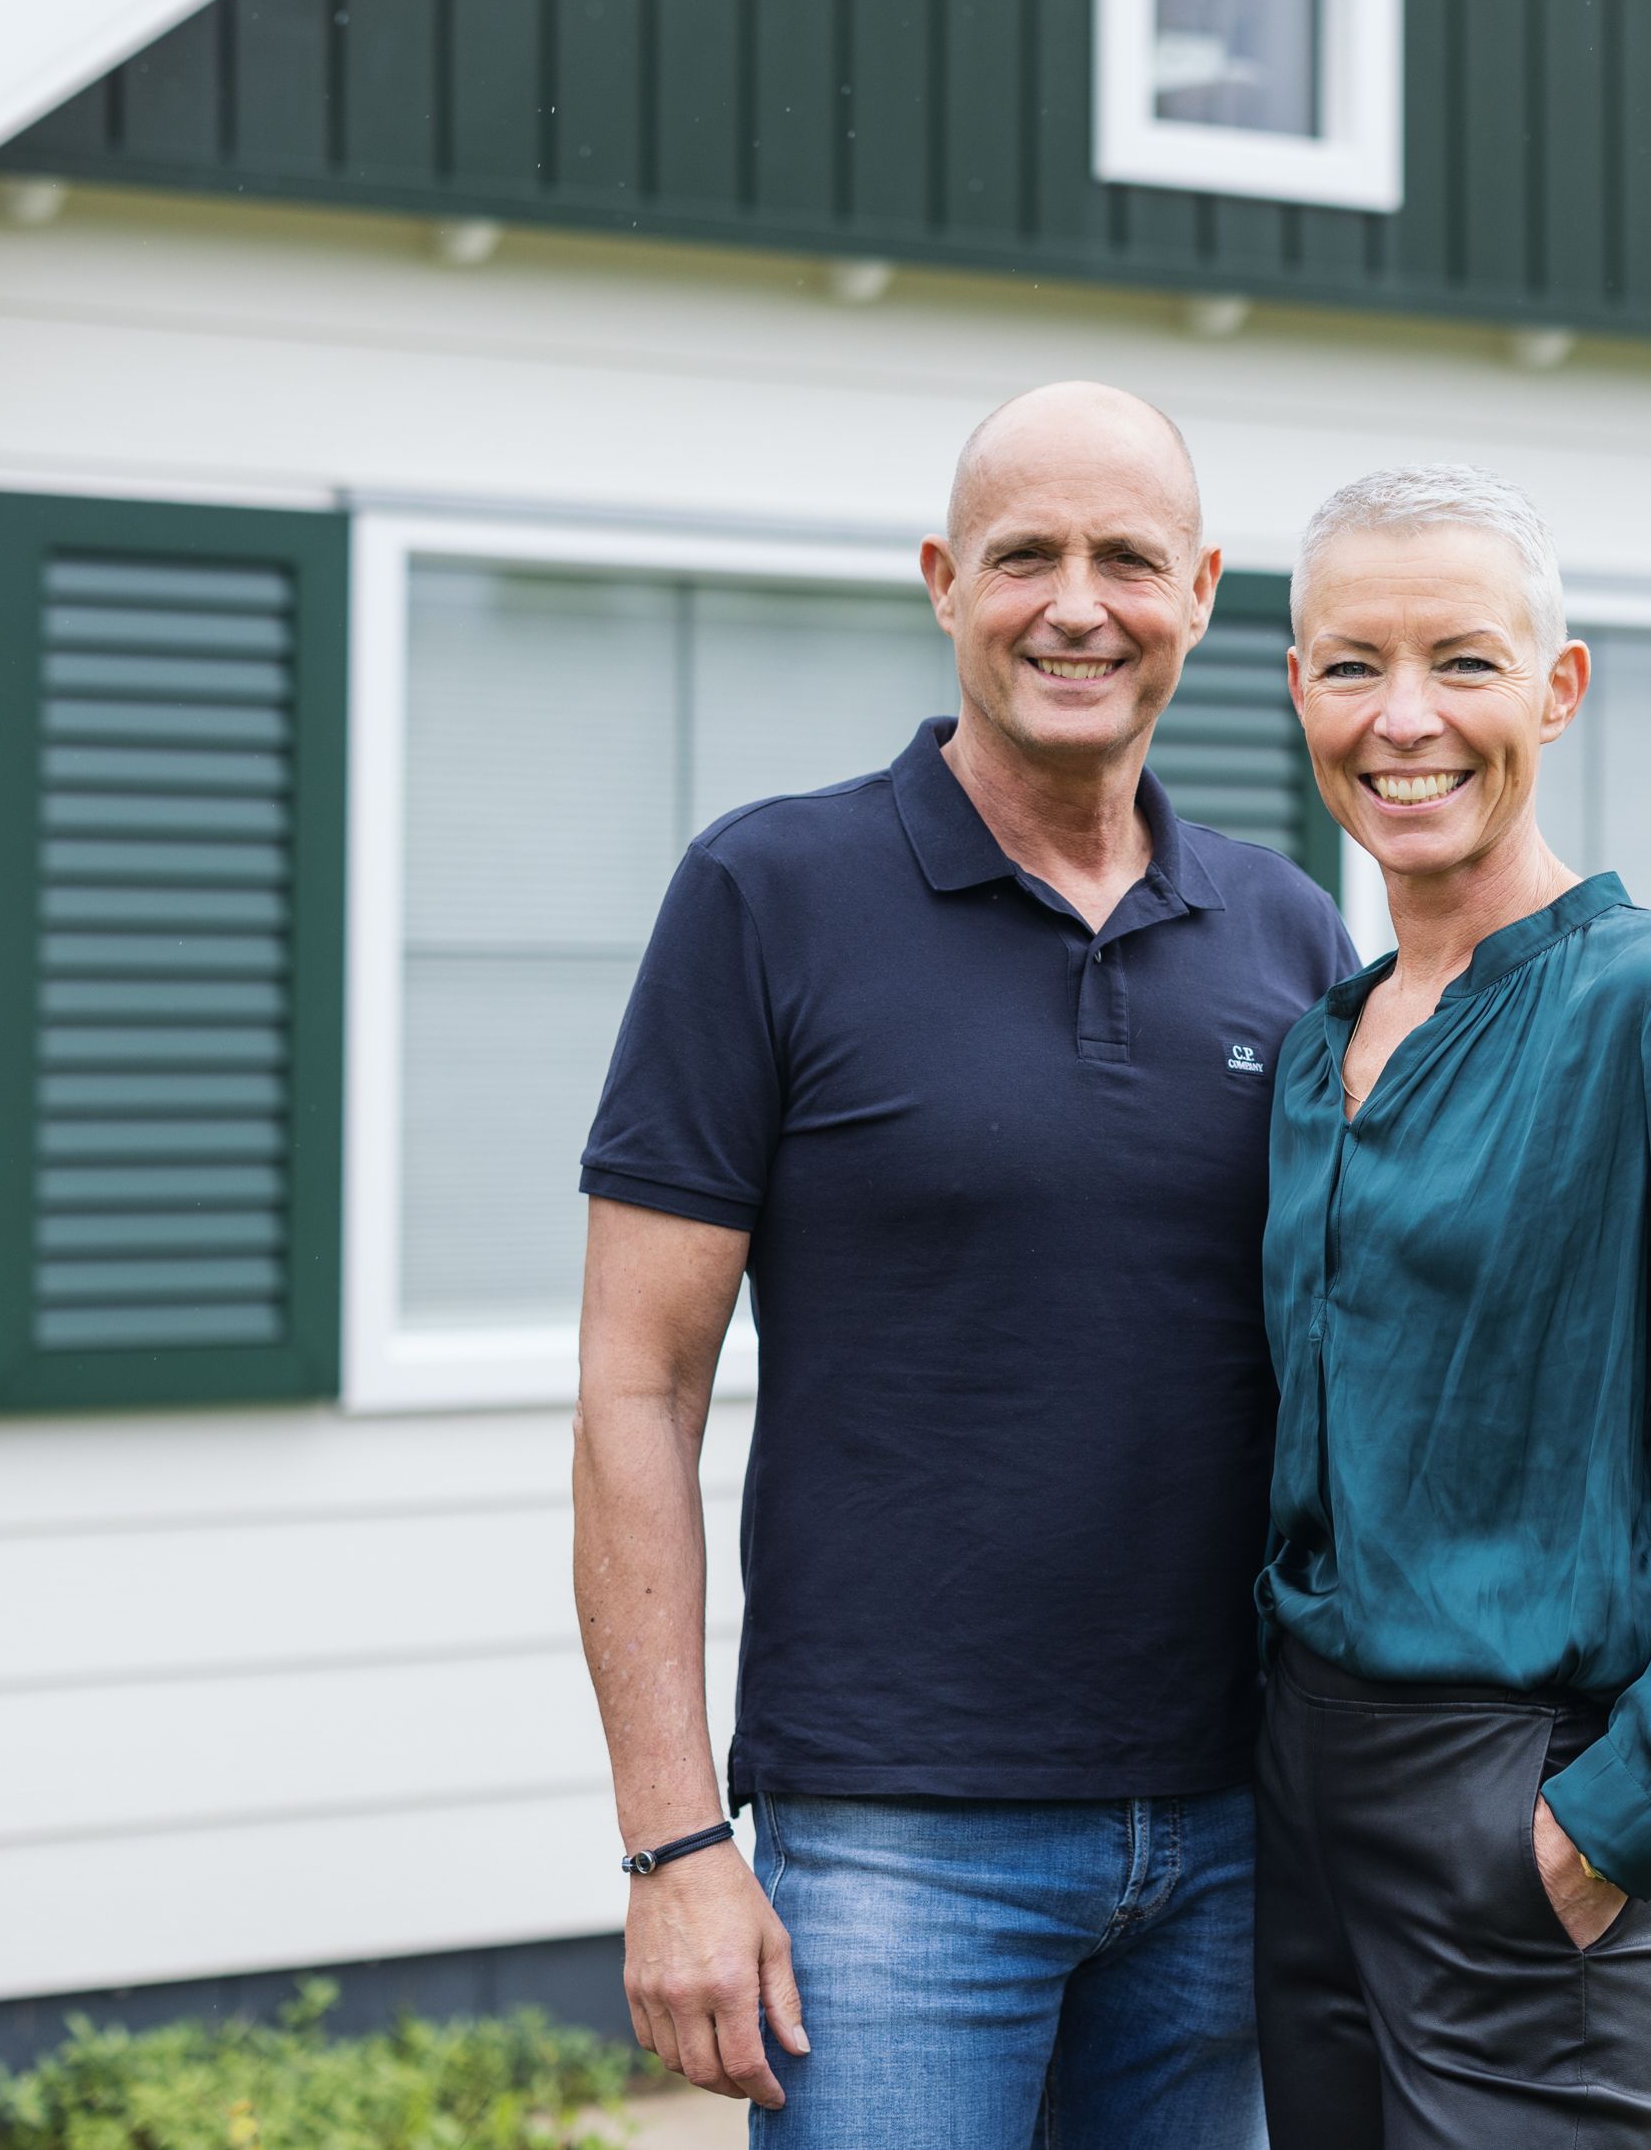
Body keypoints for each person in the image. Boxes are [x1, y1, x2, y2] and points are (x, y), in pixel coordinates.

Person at [568, 382, 1352, 2150]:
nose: (1078, 605)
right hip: (894, 1849)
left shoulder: (1290, 928)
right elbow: (636, 1386)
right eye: (1026, 557)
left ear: (1205, 592)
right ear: (943, 580)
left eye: (1127, 559)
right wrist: (677, 1844)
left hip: (1235, 1825)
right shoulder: (768, 895)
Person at [1250, 466, 1651, 2148]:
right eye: (1352, 666)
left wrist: (1623, 1811)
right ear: (1296, 687)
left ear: (1559, 686)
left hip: (1521, 1789)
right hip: (1300, 1793)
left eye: (1463, 661)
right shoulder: (1322, 1046)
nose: (1406, 721)